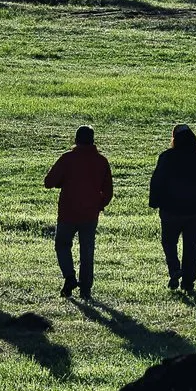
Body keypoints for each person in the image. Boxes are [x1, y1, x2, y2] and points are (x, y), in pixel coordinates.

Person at [148, 124, 196, 295]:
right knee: (191, 245)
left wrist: (154, 201)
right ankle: (188, 282)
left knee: (169, 241)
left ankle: (174, 269)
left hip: (171, 210)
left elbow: (157, 181)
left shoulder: (167, 157)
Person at [43, 126, 114, 299]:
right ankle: (86, 289)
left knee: (62, 245)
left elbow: (49, 182)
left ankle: (69, 276)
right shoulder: (101, 161)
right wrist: (99, 204)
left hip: (68, 212)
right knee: (87, 251)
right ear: (93, 140)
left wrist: (62, 182)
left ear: (76, 140)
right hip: (90, 214)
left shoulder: (68, 158)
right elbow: (108, 191)